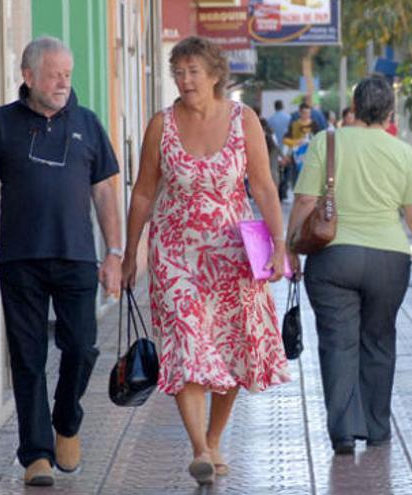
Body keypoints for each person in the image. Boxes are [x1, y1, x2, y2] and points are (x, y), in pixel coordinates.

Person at [121, 36, 289, 485]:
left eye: (193, 71)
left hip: (233, 254)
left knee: (232, 348)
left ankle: (214, 440)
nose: (185, 79)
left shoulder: (243, 120)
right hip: (175, 253)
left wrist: (280, 244)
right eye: (178, 71)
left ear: (216, 74)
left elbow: (264, 186)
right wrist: (129, 251)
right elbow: (143, 191)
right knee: (185, 344)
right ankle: (198, 447)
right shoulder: (163, 124)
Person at [0, 37, 122, 486]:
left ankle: (66, 422)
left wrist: (114, 252)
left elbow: (105, 191)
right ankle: (36, 453)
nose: (62, 83)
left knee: (81, 347)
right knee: (28, 357)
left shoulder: (87, 124)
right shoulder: (1, 124)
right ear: (28, 75)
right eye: (54, 74)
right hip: (20, 258)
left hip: (76, 257)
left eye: (67, 75)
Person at [286, 77, 412, 455]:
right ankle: (376, 428)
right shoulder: (402, 151)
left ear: (353, 108)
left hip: (333, 258)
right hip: (389, 261)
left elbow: (307, 201)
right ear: (390, 113)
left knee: (337, 343)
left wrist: (290, 246)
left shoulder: (328, 142)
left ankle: (342, 431)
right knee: (378, 341)